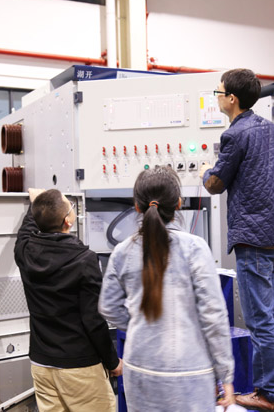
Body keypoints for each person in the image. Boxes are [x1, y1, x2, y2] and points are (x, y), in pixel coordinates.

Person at [98, 166, 236, 412]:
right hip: (190, 371)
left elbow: (108, 307)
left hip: (140, 368)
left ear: (137, 207)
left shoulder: (122, 251)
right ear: (179, 204)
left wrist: (140, 324)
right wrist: (226, 376)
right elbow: (213, 315)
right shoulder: (195, 248)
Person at [200, 68, 274, 412]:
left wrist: (205, 171)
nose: (216, 97)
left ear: (232, 99)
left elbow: (216, 184)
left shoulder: (235, 135)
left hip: (253, 239)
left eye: (218, 92)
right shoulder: (270, 129)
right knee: (271, 315)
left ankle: (270, 393)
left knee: (259, 320)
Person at [14, 188, 122, 412]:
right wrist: (112, 362)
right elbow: (93, 321)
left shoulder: (25, 252)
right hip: (80, 367)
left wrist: (35, 205)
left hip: (42, 365)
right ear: (67, 221)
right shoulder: (84, 260)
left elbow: (25, 232)